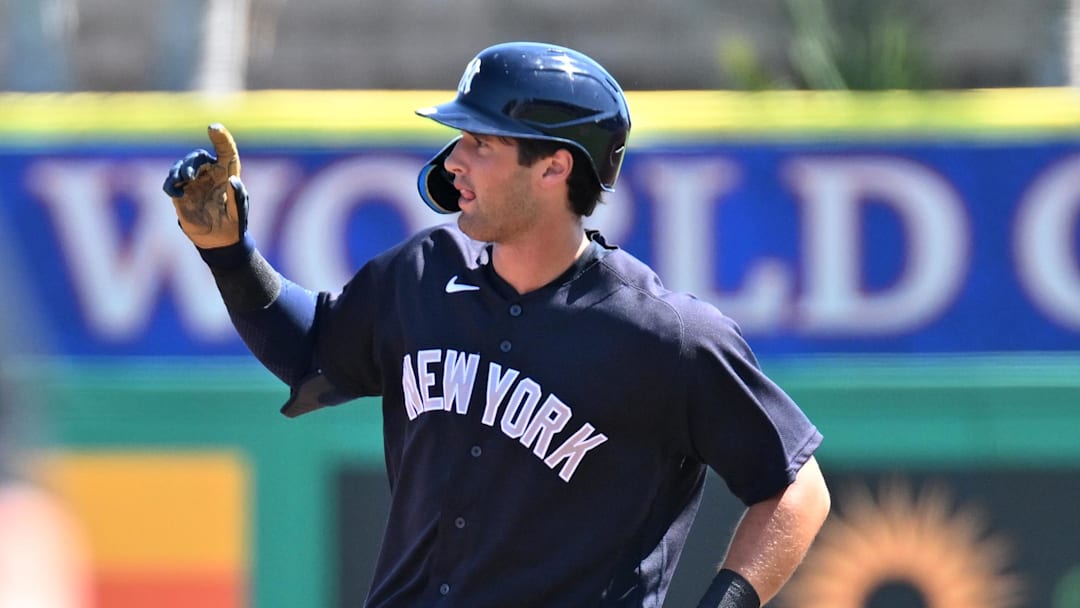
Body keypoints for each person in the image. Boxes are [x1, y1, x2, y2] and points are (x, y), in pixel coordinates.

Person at [163, 41, 830, 608]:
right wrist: (228, 254)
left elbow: (797, 488)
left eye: (481, 142)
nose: (454, 160)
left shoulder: (663, 336)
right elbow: (309, 351)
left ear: (554, 165)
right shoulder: (421, 275)